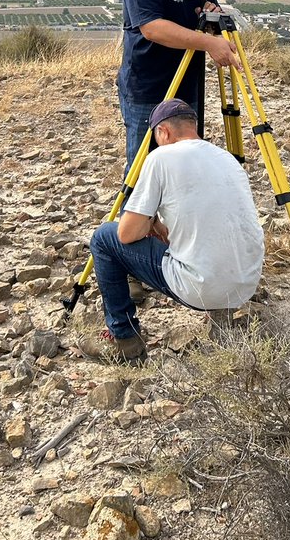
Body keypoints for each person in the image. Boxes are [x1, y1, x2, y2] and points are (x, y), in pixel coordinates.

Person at [89, 98, 265, 364]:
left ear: (163, 132)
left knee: (104, 238)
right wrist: (157, 221)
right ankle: (222, 322)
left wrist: (149, 221)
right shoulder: (227, 158)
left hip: (202, 288)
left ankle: (123, 340)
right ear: (192, 127)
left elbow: (126, 235)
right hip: (244, 284)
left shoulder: (161, 157)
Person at [117, 0, 240, 173]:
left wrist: (212, 15)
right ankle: (135, 218)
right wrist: (209, 43)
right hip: (148, 88)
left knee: (184, 168)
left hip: (187, 86)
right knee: (144, 171)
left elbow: (210, 12)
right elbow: (152, 28)